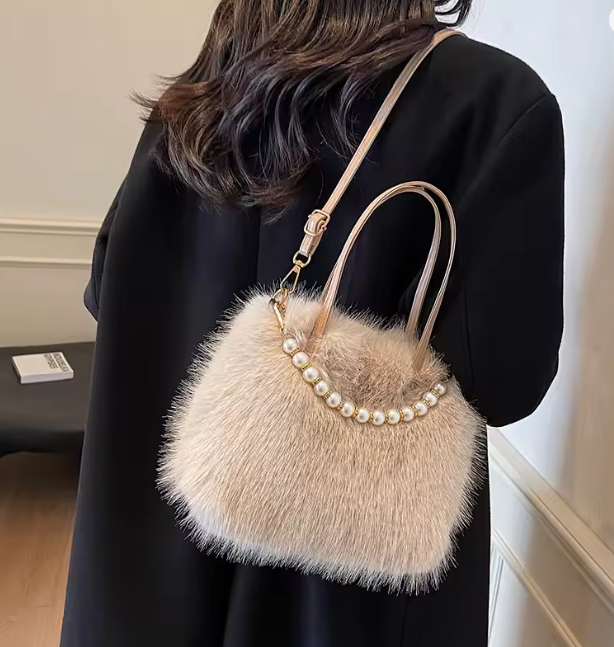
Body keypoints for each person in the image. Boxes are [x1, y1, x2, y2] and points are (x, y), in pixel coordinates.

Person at [60, 2, 565, 646]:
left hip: (150, 561)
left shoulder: (205, 88)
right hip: (348, 586)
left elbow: (108, 290)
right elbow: (506, 380)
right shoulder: (492, 101)